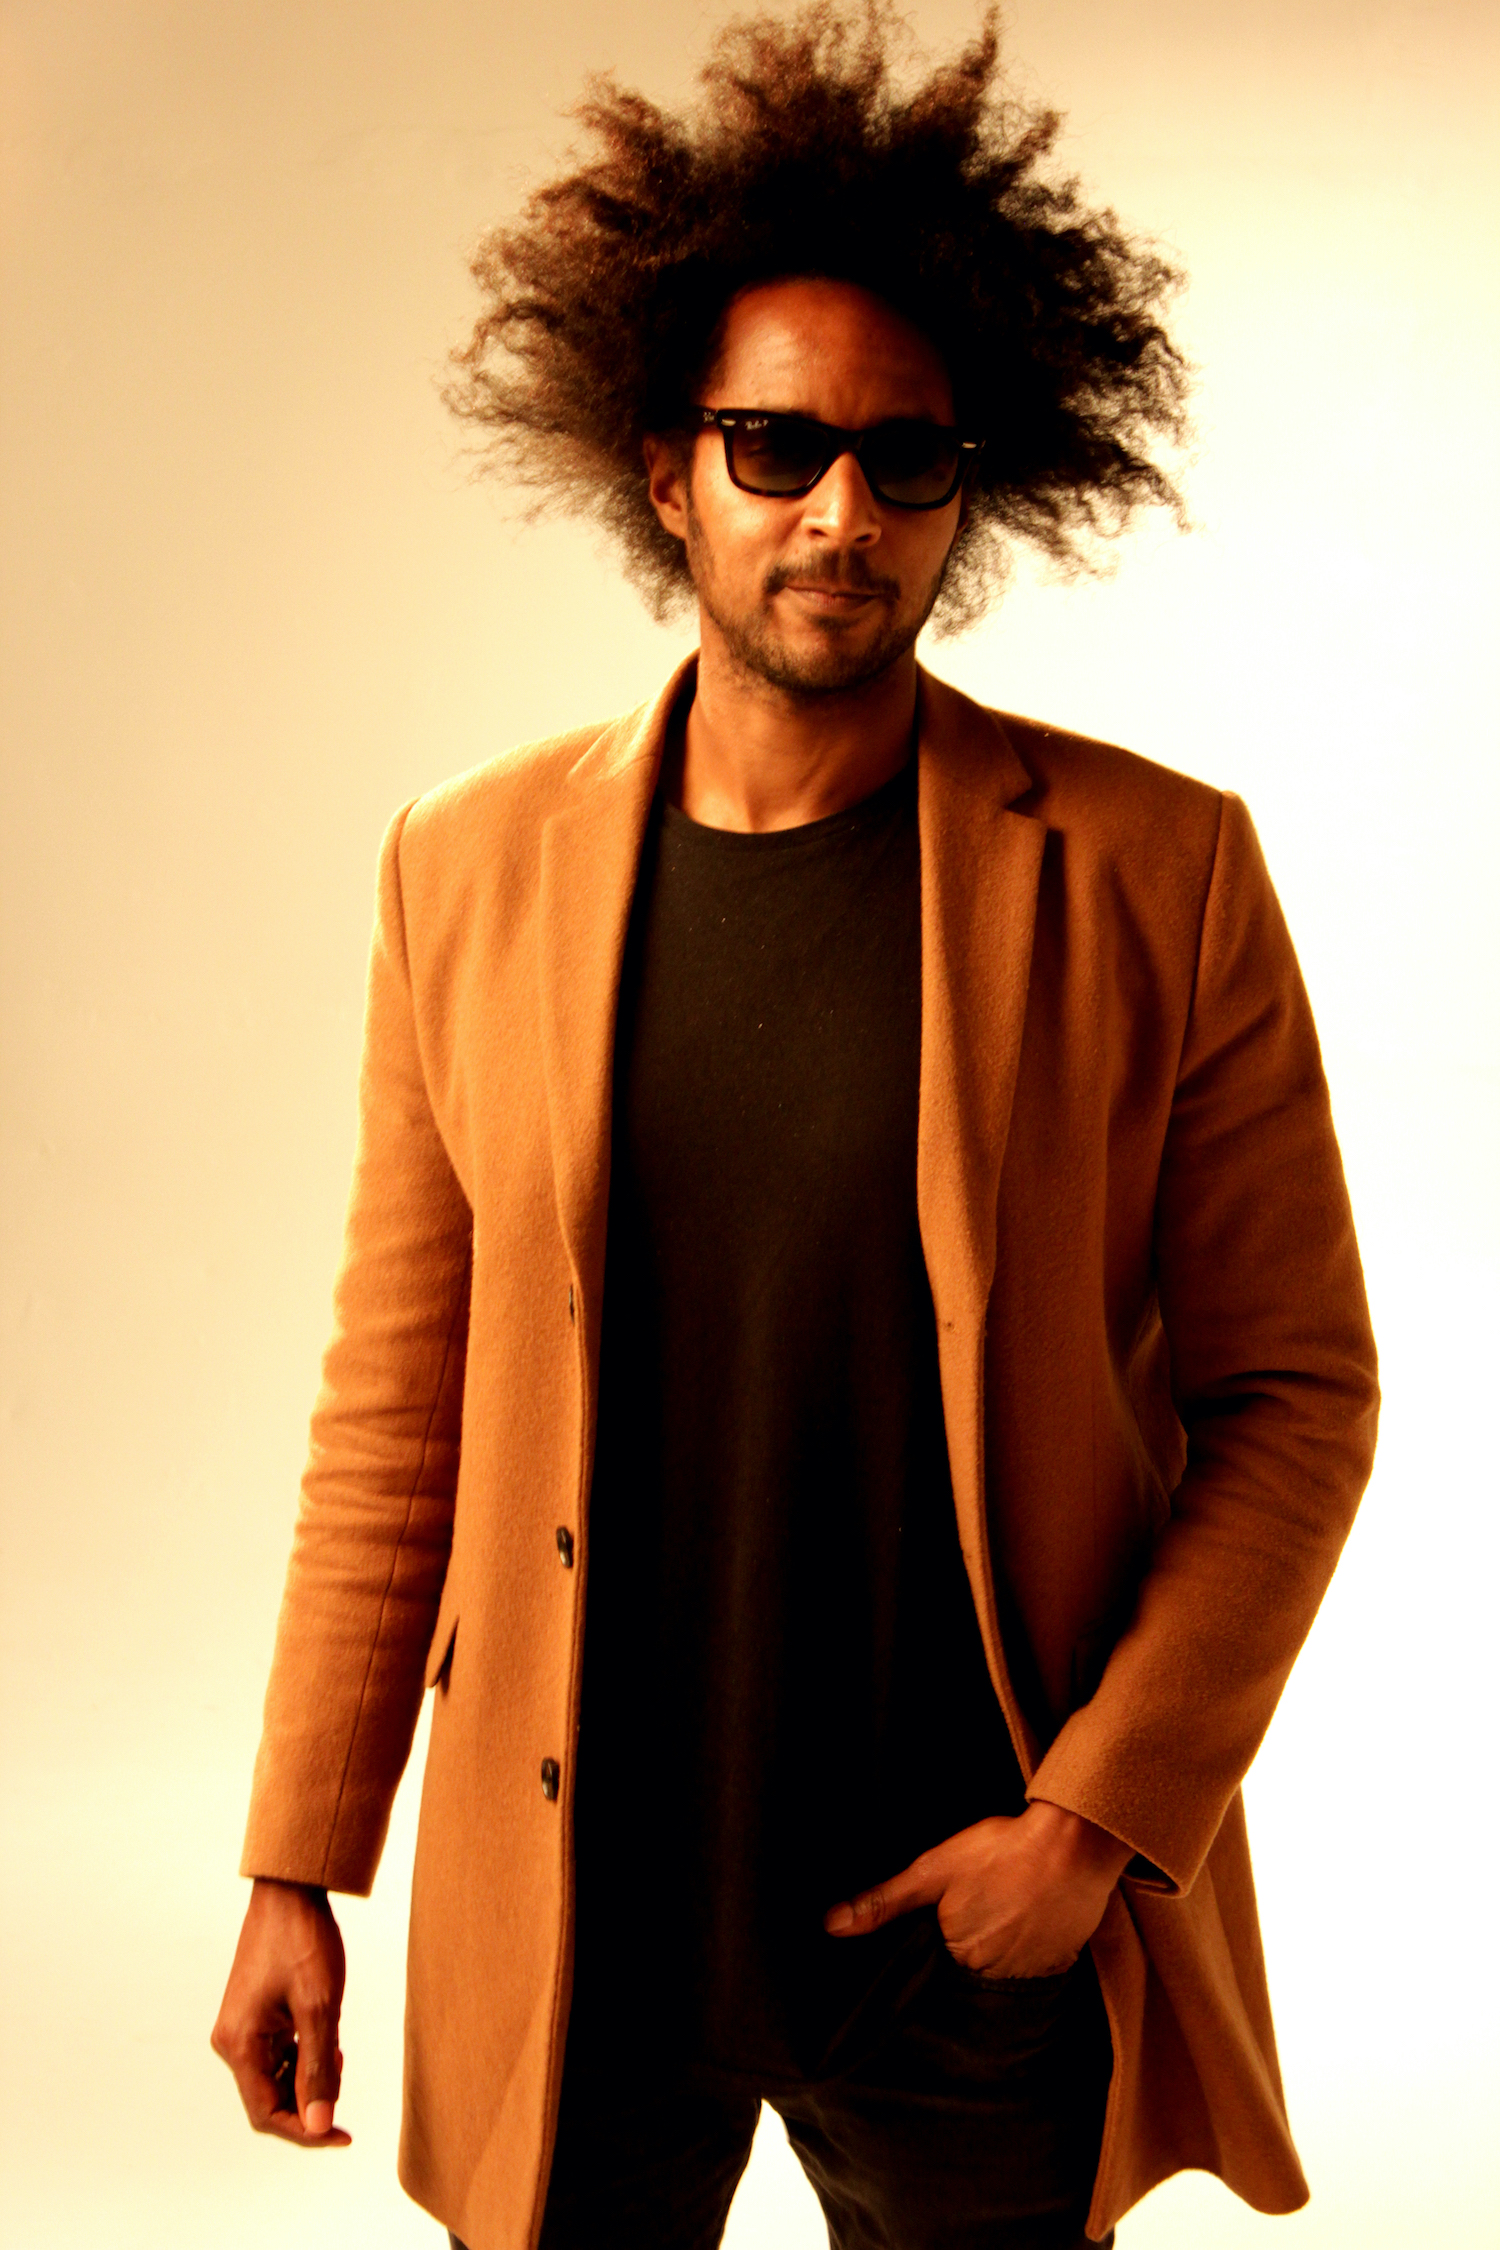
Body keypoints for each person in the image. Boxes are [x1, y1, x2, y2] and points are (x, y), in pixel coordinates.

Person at [210, 10, 1379, 2249]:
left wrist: (1099, 1828)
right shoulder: (463, 869)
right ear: (667, 471)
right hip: (581, 1899)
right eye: (777, 446)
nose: (841, 512)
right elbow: (395, 1412)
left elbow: (1298, 1394)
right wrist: (296, 1857)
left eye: (906, 459)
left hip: (970, 1920)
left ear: (973, 486)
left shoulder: (1156, 873)